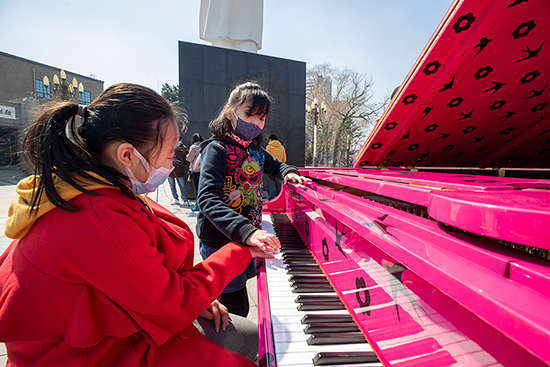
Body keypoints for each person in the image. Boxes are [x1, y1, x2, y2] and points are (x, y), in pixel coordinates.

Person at [0, 83, 276, 366]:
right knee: (258, 347)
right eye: (169, 155)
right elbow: (169, 303)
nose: (171, 165)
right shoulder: (94, 216)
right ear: (127, 155)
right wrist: (240, 250)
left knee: (257, 336)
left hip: (134, 326)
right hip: (94, 354)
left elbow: (145, 278)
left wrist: (199, 298)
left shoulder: (100, 187)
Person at [196, 82, 309, 317]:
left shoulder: (255, 150)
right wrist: (248, 231)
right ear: (230, 112)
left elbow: (276, 166)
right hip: (222, 240)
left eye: (262, 118)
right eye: (250, 115)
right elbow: (208, 199)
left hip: (247, 237)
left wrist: (287, 173)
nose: (256, 124)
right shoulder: (216, 149)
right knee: (235, 307)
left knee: (241, 291)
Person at [168, 137, 191, 206]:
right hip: (170, 170)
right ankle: (175, 198)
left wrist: (182, 163)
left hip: (179, 170)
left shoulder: (184, 149)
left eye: (179, 140)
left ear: (181, 140)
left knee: (182, 185)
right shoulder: (170, 148)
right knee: (172, 185)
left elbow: (187, 158)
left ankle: (185, 199)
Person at [265, 134, 286, 200]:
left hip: (271, 168)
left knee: (272, 184)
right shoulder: (282, 147)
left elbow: (266, 158)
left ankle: (271, 198)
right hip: (279, 167)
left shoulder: (269, 147)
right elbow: (284, 158)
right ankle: (279, 197)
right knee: (279, 183)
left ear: (270, 139)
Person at [186, 133, 203, 212]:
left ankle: (197, 205)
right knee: (202, 188)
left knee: (196, 188)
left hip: (195, 170)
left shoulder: (193, 147)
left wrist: (186, 156)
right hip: (203, 170)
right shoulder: (204, 145)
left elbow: (189, 158)